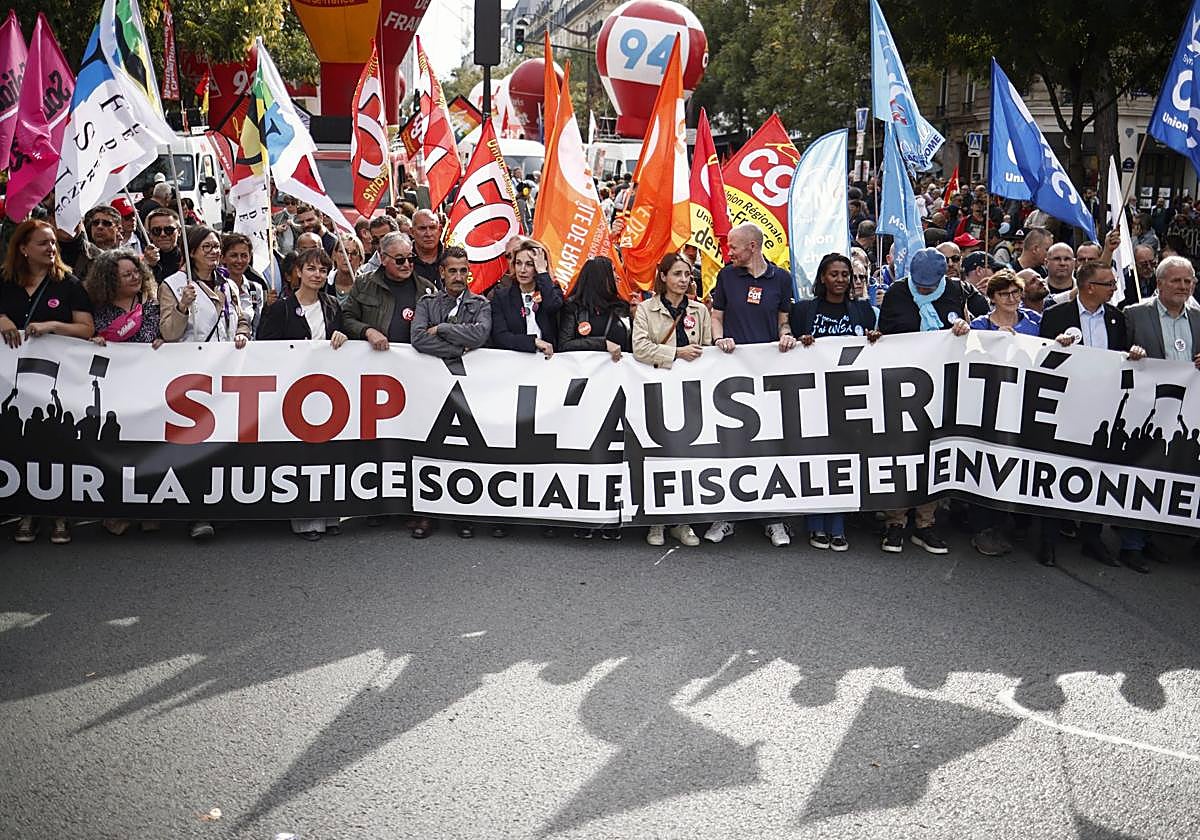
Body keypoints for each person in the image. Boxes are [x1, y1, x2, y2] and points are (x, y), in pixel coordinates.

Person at [1038, 260, 1144, 568]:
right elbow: (1041, 358)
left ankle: (1091, 537)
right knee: (1057, 467)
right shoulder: (1057, 315)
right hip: (1065, 406)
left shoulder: (1116, 318)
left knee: (1098, 469)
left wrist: (1134, 355)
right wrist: (1056, 346)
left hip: (1104, 407)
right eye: (1109, 284)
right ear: (1089, 287)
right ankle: (1048, 538)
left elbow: (1122, 358)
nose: (1114, 288)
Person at [1, 220, 96, 545]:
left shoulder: (68, 285)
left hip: (56, 380)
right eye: (43, 243)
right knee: (18, 442)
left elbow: (86, 328)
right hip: (12, 385)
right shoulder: (5, 282)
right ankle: (26, 510)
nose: (51, 248)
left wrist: (54, 325)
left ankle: (59, 514)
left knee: (53, 443)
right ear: (24, 249)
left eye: (53, 242)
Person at [158, 226, 251, 541]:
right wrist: (183, 306)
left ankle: (223, 507)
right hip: (190, 378)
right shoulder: (172, 286)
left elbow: (242, 317)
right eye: (207, 247)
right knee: (195, 445)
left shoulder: (229, 284)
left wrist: (242, 332)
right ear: (192, 251)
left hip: (226, 374)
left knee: (224, 443)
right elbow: (169, 333)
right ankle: (197, 513)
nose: (213, 251)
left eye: (216, 246)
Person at [707, 222, 796, 548]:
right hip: (732, 374)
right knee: (732, 443)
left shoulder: (781, 279)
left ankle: (774, 519)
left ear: (753, 247)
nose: (728, 252)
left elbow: (783, 320)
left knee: (768, 445)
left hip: (769, 375)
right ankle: (727, 516)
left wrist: (785, 336)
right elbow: (717, 315)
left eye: (733, 247)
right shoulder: (727, 276)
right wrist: (720, 338)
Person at [876, 247, 971, 555]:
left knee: (934, 452)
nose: (926, 289)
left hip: (942, 387)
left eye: (931, 284)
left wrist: (964, 329)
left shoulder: (957, 292)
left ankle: (925, 523)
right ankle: (895, 521)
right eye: (921, 283)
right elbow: (886, 335)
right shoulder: (897, 293)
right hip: (903, 388)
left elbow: (978, 328)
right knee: (901, 454)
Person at [258, 247, 349, 541]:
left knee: (328, 453)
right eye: (311, 269)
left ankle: (330, 515)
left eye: (323, 270)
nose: (317, 275)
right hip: (292, 391)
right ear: (298, 272)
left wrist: (343, 336)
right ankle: (305, 520)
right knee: (300, 455)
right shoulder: (280, 308)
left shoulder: (333, 305)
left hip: (326, 390)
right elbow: (266, 347)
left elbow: (346, 338)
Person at [791, 253, 880, 551]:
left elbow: (878, 351)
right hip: (813, 397)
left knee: (844, 460)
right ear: (822, 278)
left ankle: (838, 524)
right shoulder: (803, 310)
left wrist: (874, 339)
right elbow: (788, 347)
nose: (841, 280)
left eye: (846, 275)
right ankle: (816, 523)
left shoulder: (864, 312)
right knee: (817, 459)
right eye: (835, 274)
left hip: (850, 397)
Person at [1120, 256, 1200, 572]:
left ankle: (1156, 537)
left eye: (1188, 281)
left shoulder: (1199, 317)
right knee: (1141, 473)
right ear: (1160, 283)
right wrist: (1131, 356)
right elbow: (1114, 360)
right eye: (1176, 281)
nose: (1183, 287)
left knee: (1173, 471)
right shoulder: (1135, 315)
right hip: (1145, 411)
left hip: (1186, 414)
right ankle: (1131, 544)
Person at [411, 246, 494, 540]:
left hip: (467, 387)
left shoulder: (481, 304)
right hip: (431, 385)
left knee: (463, 449)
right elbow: (418, 338)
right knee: (430, 449)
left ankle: (463, 513)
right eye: (453, 270)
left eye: (463, 270)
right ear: (442, 272)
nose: (459, 276)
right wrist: (459, 348)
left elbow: (480, 335)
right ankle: (426, 514)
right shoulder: (427, 302)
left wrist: (443, 328)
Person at [632, 252, 712, 548]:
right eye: (677, 274)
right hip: (657, 389)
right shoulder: (645, 309)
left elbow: (706, 348)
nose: (683, 280)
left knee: (688, 455)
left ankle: (683, 521)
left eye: (687, 274)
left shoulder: (700, 310)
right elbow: (639, 347)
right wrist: (677, 353)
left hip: (691, 391)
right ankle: (657, 521)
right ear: (663, 276)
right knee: (658, 452)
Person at [85, 249, 163, 536]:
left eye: (136, 272)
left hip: (148, 390)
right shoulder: (98, 310)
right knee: (117, 451)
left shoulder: (152, 305)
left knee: (148, 450)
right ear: (108, 280)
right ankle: (119, 510)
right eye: (125, 274)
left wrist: (164, 340)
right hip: (113, 391)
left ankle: (148, 511)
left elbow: (166, 335)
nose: (134, 277)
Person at [342, 231, 436, 353]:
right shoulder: (364, 284)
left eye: (411, 258)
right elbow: (346, 318)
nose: (407, 264)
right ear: (383, 259)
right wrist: (367, 331)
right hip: (373, 361)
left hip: (414, 364)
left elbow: (438, 325)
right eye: (400, 260)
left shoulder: (426, 289)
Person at [490, 239, 563, 358]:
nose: (522, 270)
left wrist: (542, 273)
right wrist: (533, 342)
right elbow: (500, 337)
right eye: (518, 263)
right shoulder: (501, 296)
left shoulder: (551, 290)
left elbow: (553, 306)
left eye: (529, 264)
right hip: (516, 364)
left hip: (549, 364)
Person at [557, 256, 631, 364]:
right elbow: (564, 345)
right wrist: (603, 344)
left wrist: (635, 316)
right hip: (585, 374)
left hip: (619, 375)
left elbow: (633, 345)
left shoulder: (622, 307)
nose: (618, 277)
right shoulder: (573, 307)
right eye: (613, 271)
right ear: (601, 277)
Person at [220, 233, 272, 337]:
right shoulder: (217, 288)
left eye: (244, 256)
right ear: (223, 258)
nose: (239, 261)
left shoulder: (255, 289)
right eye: (234, 255)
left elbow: (257, 327)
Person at [969, 269, 1042, 335]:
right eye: (1004, 294)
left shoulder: (1034, 318)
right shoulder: (980, 325)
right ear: (992, 298)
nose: (1011, 299)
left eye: (1015, 292)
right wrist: (994, 337)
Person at [143, 208, 183, 281]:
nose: (163, 234)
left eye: (169, 230)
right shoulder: (141, 263)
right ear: (150, 234)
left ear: (179, 231)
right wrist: (148, 266)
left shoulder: (189, 260)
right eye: (156, 230)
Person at [410, 209, 445, 288]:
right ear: (412, 232)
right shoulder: (402, 261)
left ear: (440, 230)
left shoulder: (451, 259)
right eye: (422, 228)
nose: (428, 234)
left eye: (432, 228)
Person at [327, 234, 364, 306]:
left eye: (354, 253)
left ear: (361, 259)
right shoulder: (323, 285)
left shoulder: (367, 286)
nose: (348, 258)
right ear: (334, 255)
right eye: (343, 252)